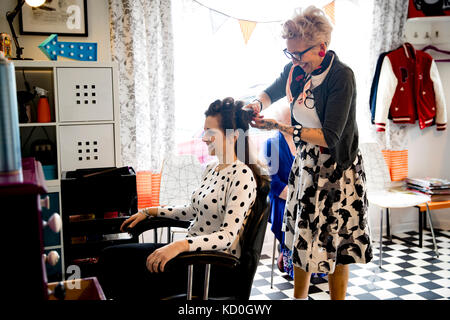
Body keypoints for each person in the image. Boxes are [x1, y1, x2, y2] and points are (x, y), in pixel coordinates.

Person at [246, 6, 373, 300]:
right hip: (306, 166)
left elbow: (330, 137)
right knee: (301, 240)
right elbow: (272, 90)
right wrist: (256, 104)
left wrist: (280, 126)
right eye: (289, 53)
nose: (294, 60)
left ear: (321, 48)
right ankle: (298, 298)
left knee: (336, 245)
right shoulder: (296, 70)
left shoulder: (341, 77)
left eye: (299, 54)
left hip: (337, 172)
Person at [98, 97, 269, 300]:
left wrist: (177, 246)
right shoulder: (212, 169)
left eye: (210, 132)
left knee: (125, 273)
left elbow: (227, 236)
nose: (204, 138)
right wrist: (149, 211)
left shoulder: (242, 175)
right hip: (190, 257)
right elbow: (191, 211)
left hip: (209, 267)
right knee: (111, 257)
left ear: (232, 137)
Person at [261, 105, 296, 278]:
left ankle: (316, 259)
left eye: (293, 118)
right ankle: (287, 255)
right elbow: (273, 182)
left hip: (303, 195)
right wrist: (295, 196)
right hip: (282, 197)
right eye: (287, 119)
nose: (291, 122)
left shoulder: (304, 141)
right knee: (294, 213)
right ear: (278, 122)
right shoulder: (271, 144)